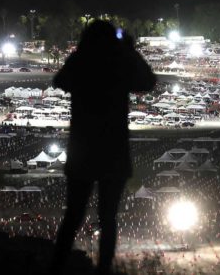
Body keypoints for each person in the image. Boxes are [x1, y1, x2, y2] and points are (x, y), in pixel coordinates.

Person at [50, 20, 156, 275]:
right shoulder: (120, 63)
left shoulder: (81, 62)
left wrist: (81, 53)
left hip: (82, 149)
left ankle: (56, 266)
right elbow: (148, 81)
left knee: (73, 215)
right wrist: (129, 50)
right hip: (113, 151)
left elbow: (59, 81)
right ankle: (104, 269)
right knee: (108, 218)